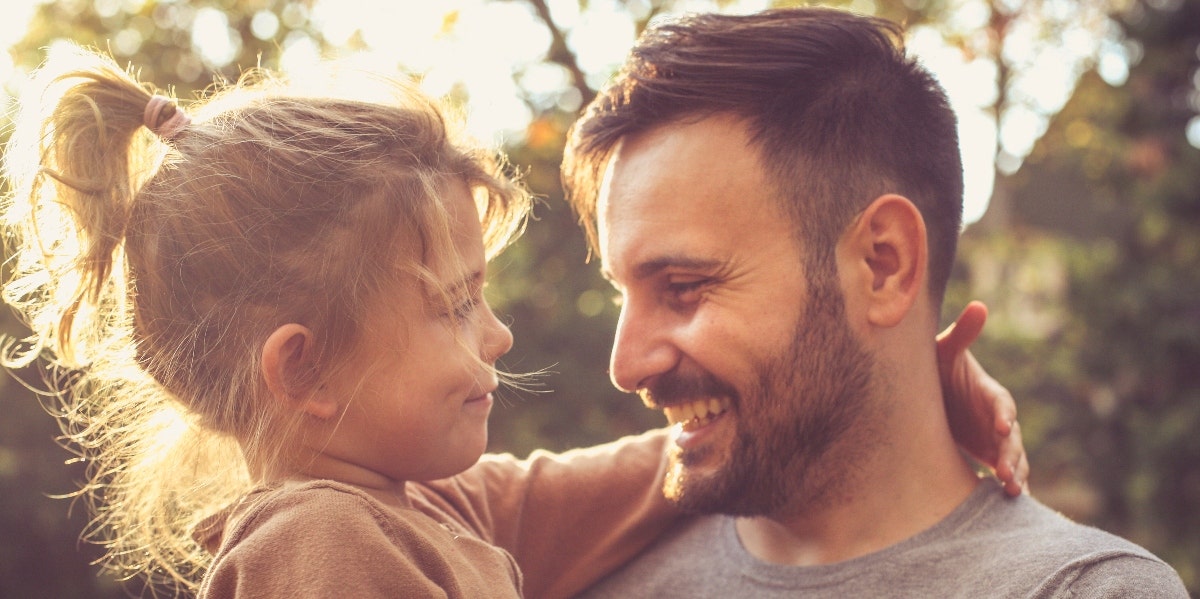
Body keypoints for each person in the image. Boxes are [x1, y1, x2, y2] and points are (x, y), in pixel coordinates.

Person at [2, 44, 1019, 598]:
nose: (497, 334)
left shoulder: (425, 506)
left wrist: (887, 387)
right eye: (452, 304)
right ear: (304, 371)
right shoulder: (321, 545)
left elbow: (631, 479)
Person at [561, 7, 1188, 598]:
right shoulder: (585, 577)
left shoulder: (1081, 590)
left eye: (683, 287)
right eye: (621, 293)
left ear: (883, 265)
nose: (626, 365)